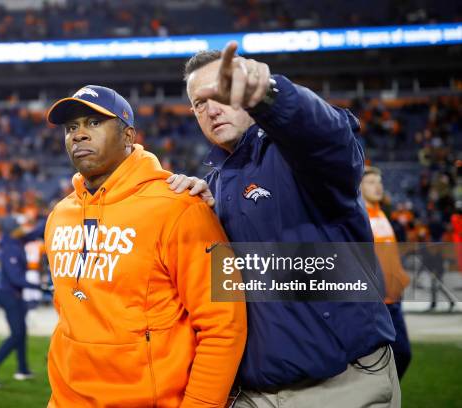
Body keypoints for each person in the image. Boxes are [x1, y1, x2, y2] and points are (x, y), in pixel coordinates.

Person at [170, 42, 400, 407]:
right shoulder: (214, 185)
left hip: (339, 387)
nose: (211, 109)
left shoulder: (300, 156)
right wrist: (204, 215)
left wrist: (272, 96)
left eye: (222, 93)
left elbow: (329, 135)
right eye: (200, 103)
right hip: (252, 393)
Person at [43, 85, 247, 407]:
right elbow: (68, 314)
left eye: (94, 123)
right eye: (71, 128)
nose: (79, 135)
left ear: (128, 137)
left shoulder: (181, 207)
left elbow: (225, 324)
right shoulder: (59, 216)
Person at [0, 225, 45, 388]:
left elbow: (37, 231)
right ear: (13, 230)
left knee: (22, 332)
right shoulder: (10, 249)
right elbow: (15, 279)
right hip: (9, 296)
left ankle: (22, 369)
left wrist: (54, 212)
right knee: (17, 334)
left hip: (15, 296)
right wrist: (38, 286)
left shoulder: (16, 242)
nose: (25, 228)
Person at [361, 166, 412, 379]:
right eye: (371, 182)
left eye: (379, 181)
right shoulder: (360, 216)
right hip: (378, 303)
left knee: (401, 354)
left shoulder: (382, 214)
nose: (378, 186)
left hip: (393, 300)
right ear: (359, 186)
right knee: (396, 354)